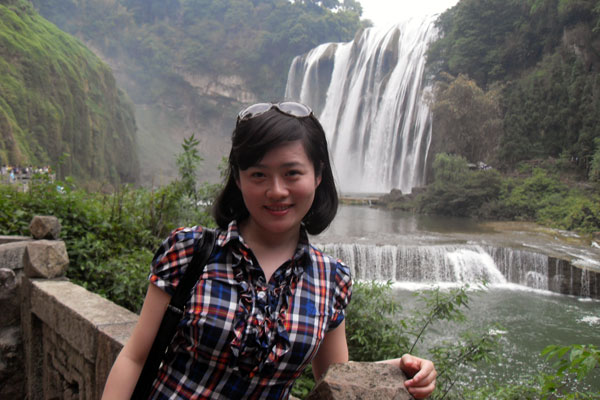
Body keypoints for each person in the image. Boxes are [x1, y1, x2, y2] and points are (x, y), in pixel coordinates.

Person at [102, 102, 436, 399]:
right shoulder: (190, 251)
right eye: (258, 175)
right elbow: (135, 357)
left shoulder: (331, 280)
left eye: (292, 173)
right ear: (238, 179)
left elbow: (337, 380)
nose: (276, 191)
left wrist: (401, 369)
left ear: (318, 175)